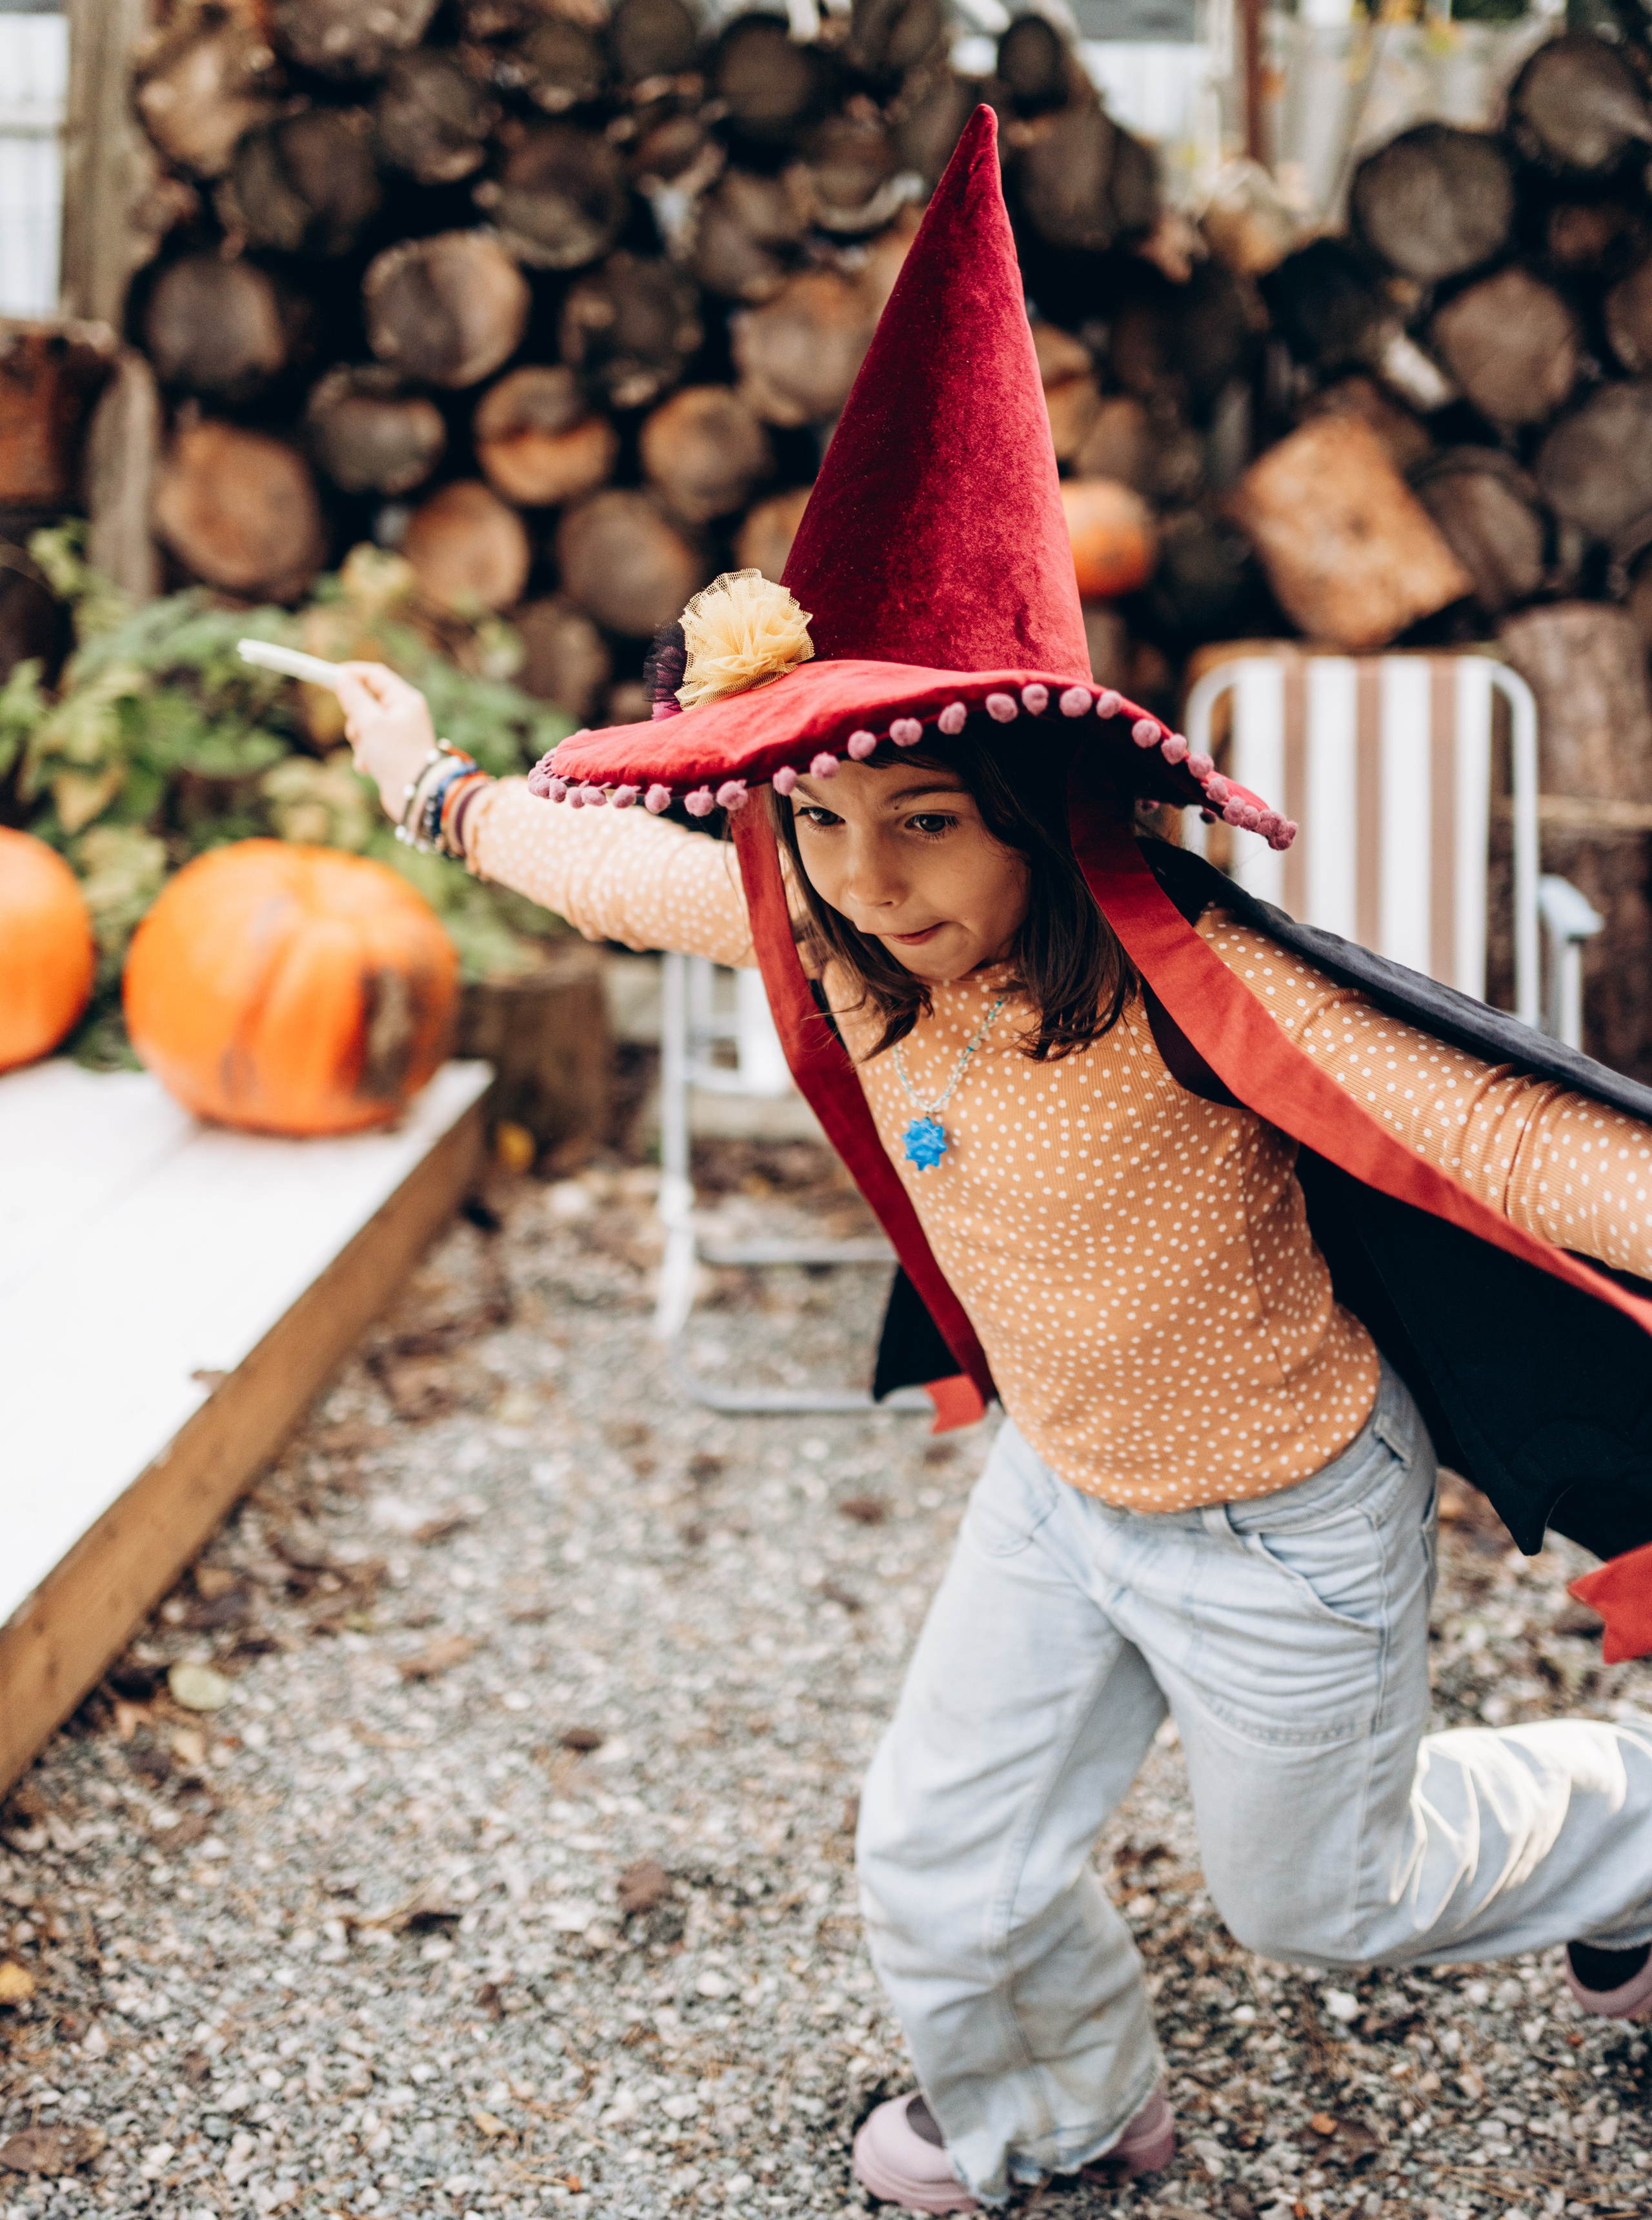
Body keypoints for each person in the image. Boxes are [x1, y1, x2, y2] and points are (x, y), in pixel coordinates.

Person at [336, 108, 1652, 2215]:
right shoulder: (839, 948)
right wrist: (436, 785)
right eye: (827, 832)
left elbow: (1488, 1119)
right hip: (1065, 1484)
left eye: (928, 820)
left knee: (1333, 1895)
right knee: (942, 1856)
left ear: (1038, 808)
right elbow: (610, 873)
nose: (873, 881)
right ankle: (1057, 2124)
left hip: (1288, 1516)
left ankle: (1635, 1826)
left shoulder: (1181, 986)